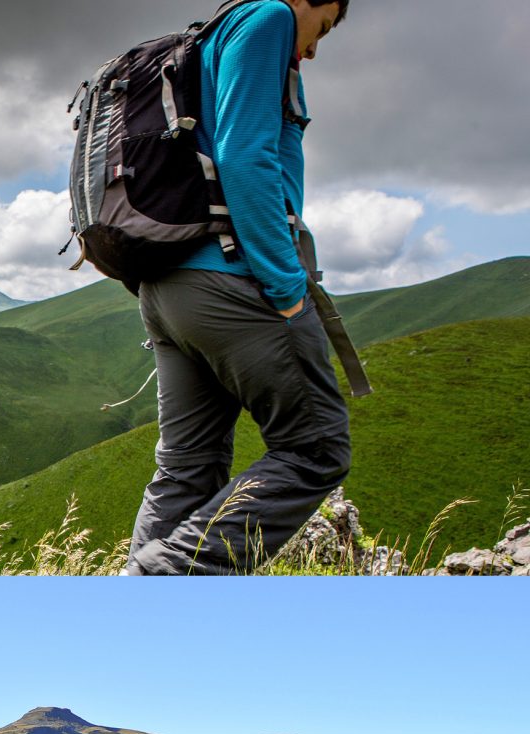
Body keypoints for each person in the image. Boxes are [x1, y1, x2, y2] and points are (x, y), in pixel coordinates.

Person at [126, 0, 354, 575]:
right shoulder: (270, 17)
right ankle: (164, 579)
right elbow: (243, 154)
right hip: (233, 279)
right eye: (322, 27)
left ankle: (130, 617)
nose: (314, 48)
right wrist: (285, 286)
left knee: (186, 466)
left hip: (167, 288)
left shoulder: (210, 38)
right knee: (315, 448)